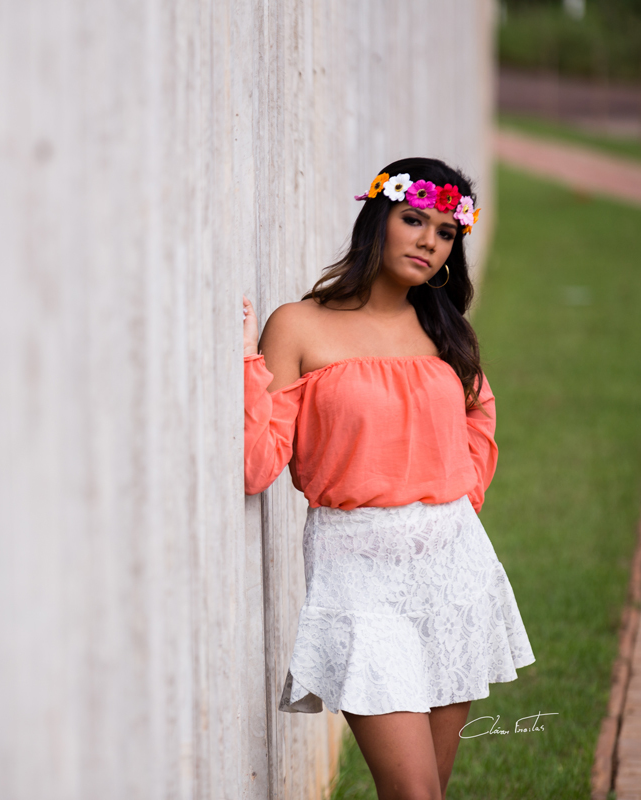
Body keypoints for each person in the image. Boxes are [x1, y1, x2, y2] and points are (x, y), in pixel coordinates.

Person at [240, 157, 535, 800]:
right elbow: (260, 461)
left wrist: (459, 493)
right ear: (378, 220)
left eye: (447, 232)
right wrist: (245, 368)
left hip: (451, 567)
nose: (430, 240)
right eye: (413, 220)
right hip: (356, 573)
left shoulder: (442, 329)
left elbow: (478, 415)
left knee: (432, 790)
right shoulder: (299, 324)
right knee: (415, 793)